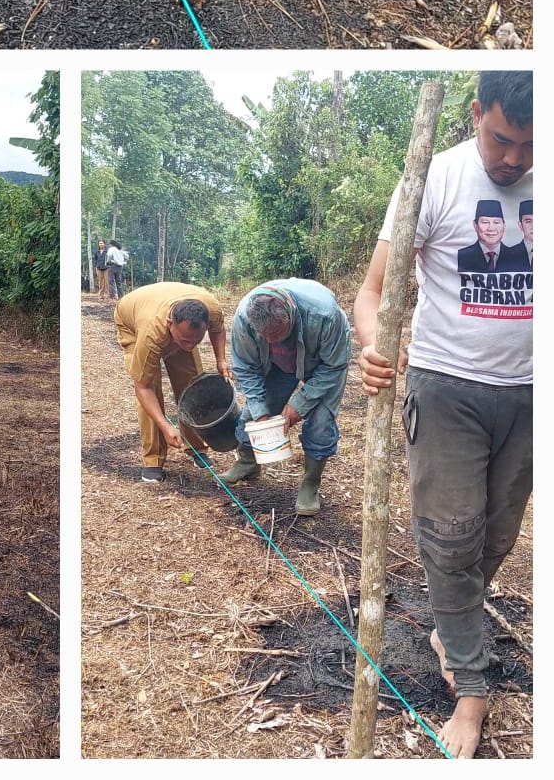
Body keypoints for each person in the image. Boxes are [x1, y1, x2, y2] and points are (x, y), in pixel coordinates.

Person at [353, 71, 532, 759]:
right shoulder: (433, 179)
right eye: (501, 139)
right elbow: (373, 294)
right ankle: (472, 688)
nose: (513, 159)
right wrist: (375, 345)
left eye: (529, 145)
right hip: (446, 387)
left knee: (494, 537)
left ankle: (450, 630)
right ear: (476, 111)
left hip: (529, 395)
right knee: (451, 538)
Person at [216, 279, 351, 515]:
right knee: (253, 414)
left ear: (291, 315)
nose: (271, 340)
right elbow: (245, 368)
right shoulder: (244, 318)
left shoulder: (324, 315)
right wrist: (261, 412)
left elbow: (334, 366)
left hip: (322, 364)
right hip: (278, 364)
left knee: (321, 423)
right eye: (265, 335)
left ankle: (311, 482)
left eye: (277, 333)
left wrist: (299, 403)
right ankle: (248, 463)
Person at [114, 281, 230, 482]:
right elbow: (143, 388)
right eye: (185, 341)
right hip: (131, 321)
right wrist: (165, 425)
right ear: (170, 323)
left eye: (196, 341)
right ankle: (153, 459)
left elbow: (218, 329)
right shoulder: (151, 334)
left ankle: (196, 447)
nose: (190, 346)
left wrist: (221, 360)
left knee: (193, 385)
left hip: (166, 310)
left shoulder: (210, 308)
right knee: (151, 386)